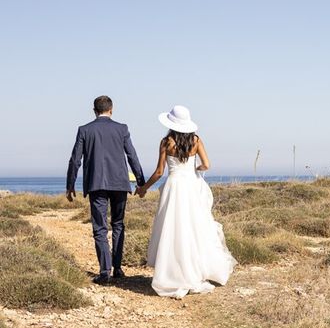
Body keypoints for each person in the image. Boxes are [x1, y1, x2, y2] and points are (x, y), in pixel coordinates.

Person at [136, 105, 236, 298]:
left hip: (174, 187)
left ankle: (174, 272)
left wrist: (143, 189)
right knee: (194, 227)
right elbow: (207, 164)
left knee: (173, 228)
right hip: (190, 186)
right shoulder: (196, 140)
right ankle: (196, 271)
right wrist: (196, 169)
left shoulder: (166, 142)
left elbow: (159, 172)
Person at [66, 95, 147, 285]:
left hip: (96, 184)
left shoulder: (84, 130)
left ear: (94, 111)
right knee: (118, 224)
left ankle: (105, 272)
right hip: (120, 183)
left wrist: (70, 185)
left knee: (100, 228)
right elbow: (132, 156)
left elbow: (75, 160)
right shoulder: (122, 129)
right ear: (111, 109)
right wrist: (141, 182)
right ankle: (117, 268)